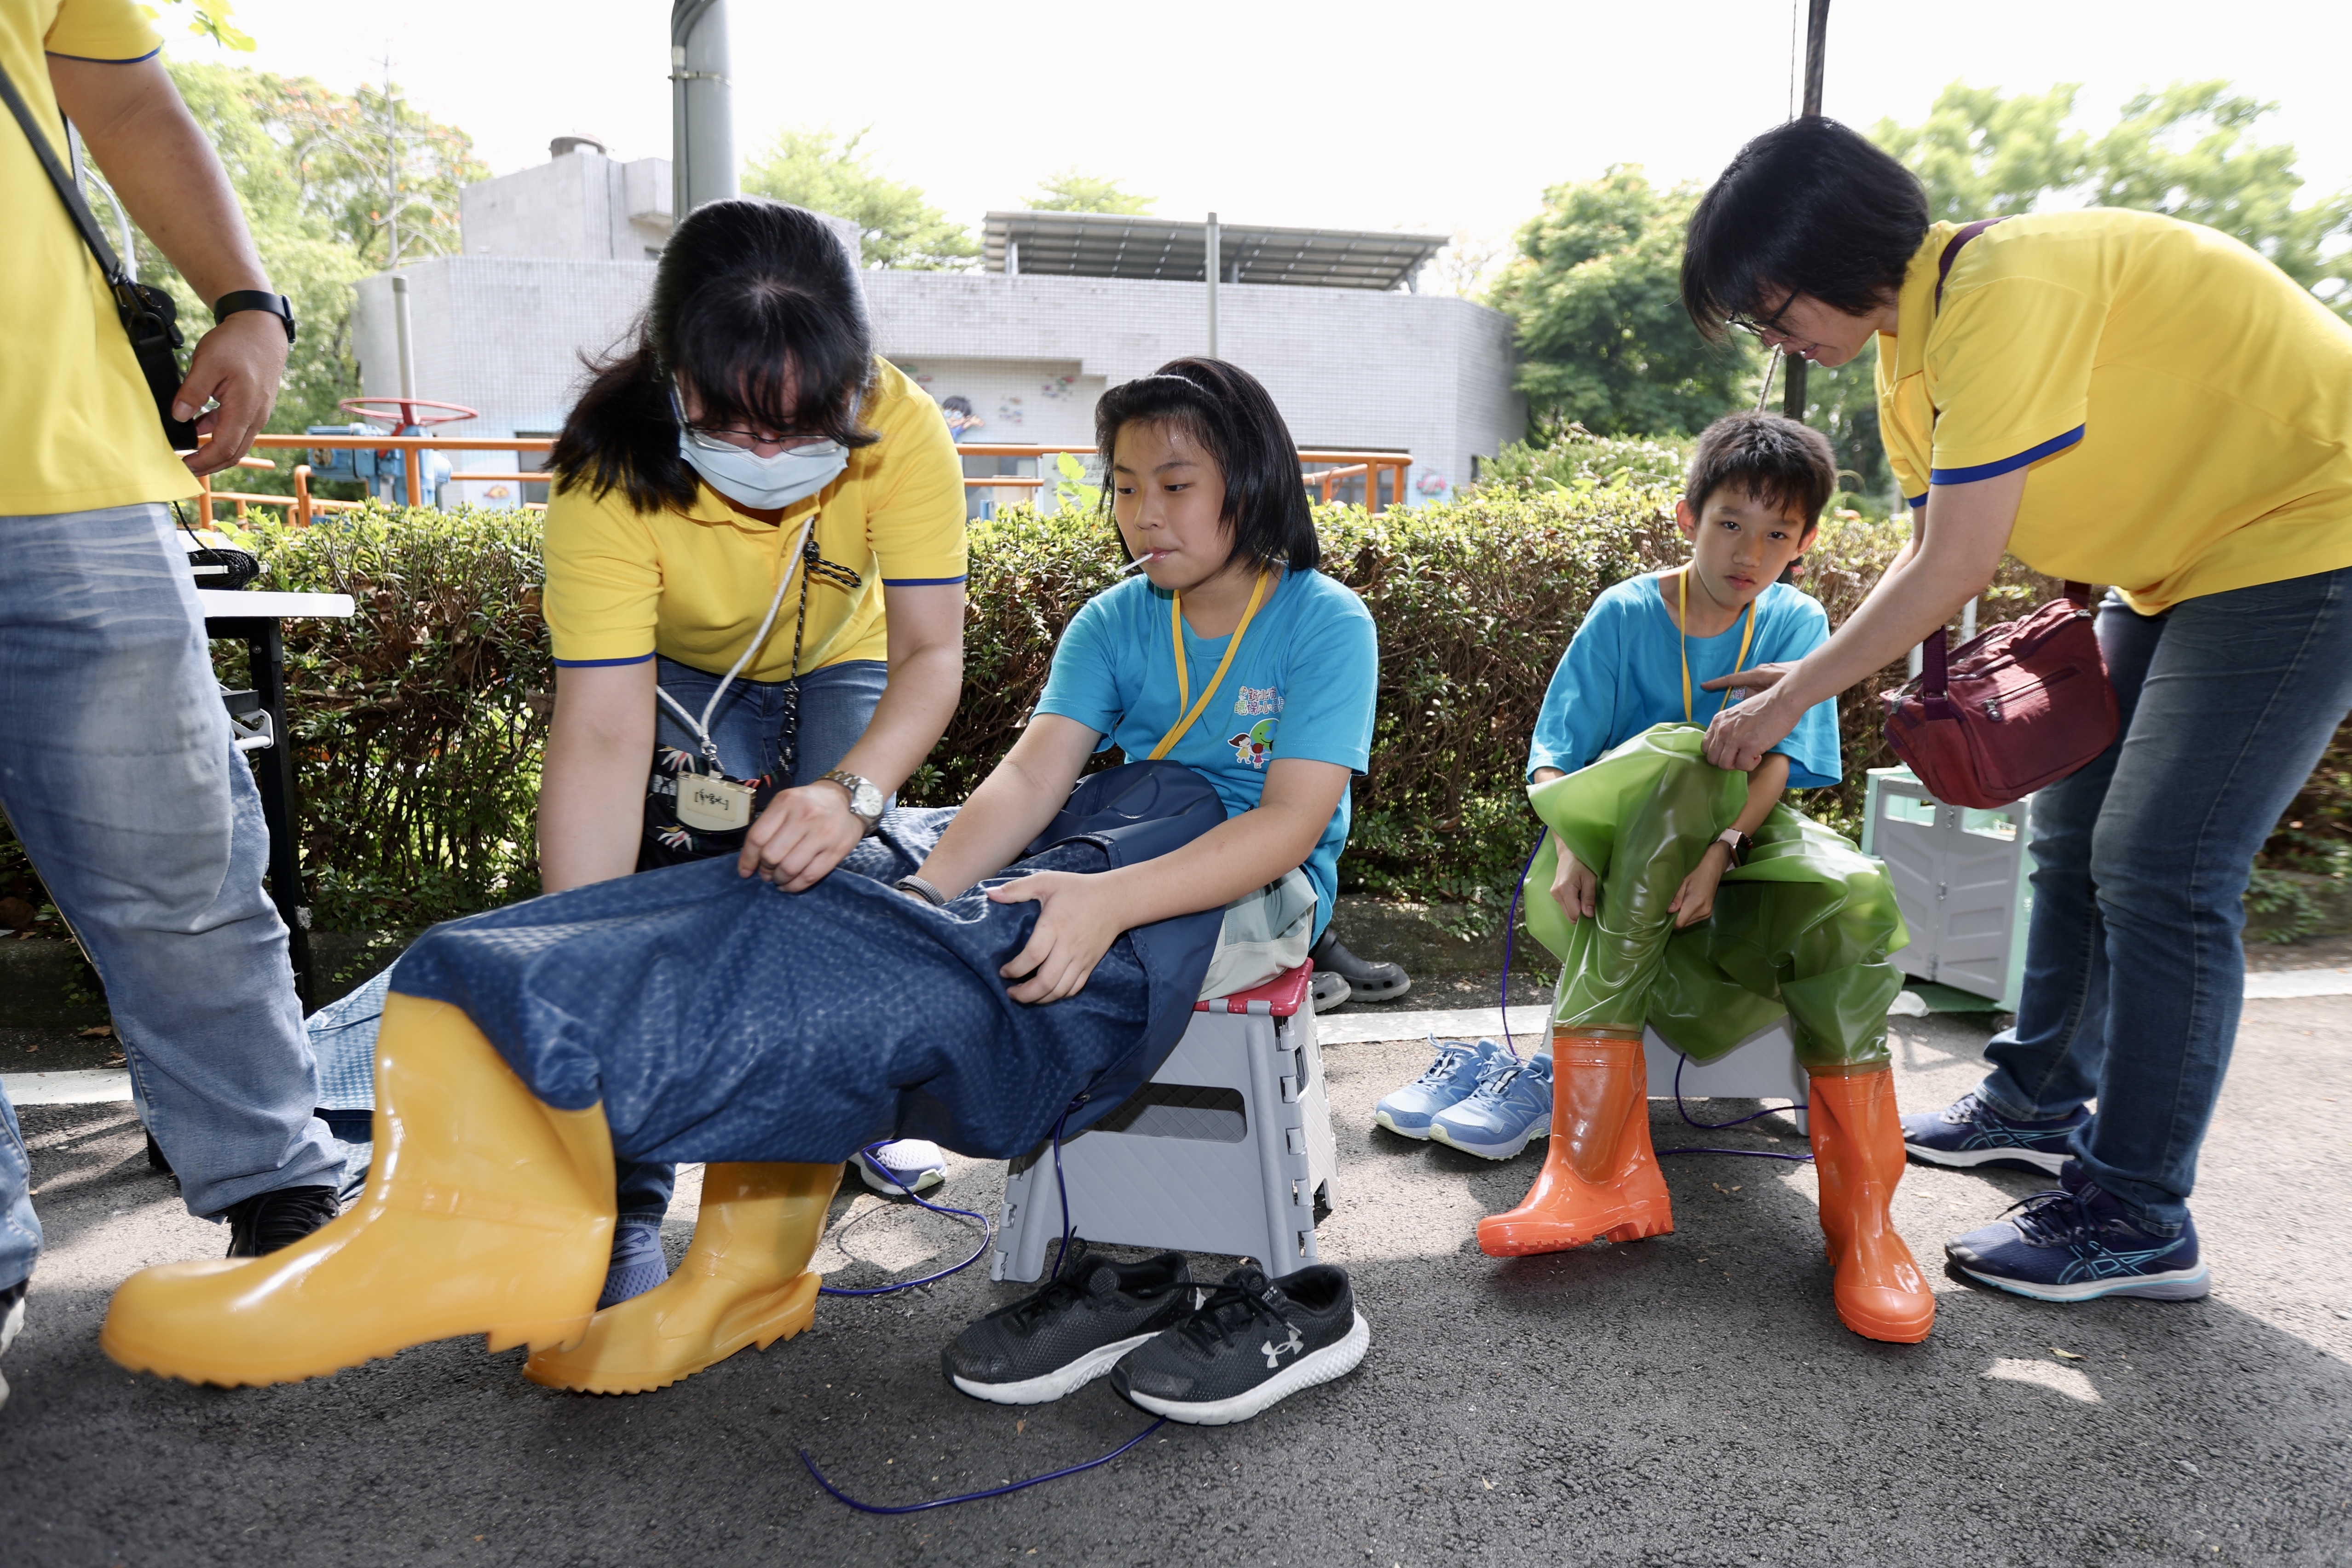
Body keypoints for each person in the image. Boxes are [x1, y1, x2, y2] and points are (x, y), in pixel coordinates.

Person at [98, 358, 1381, 1397]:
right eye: (1121, 486)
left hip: (1233, 885)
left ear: (1251, 486)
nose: (1140, 512)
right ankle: (540, 1139)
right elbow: (1029, 786)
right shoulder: (1116, 619)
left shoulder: (1322, 620)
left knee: (953, 953)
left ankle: (685, 1242)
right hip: (1095, 837)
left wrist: (1102, 903)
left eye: (1173, 483)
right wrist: (924, 889)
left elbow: (1283, 829)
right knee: (828, 875)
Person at [1681, 116, 2352, 1305]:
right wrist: (1825, 669)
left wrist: (1797, 691)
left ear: (1836, 251)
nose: (1773, 336)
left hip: (2310, 537)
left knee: (2162, 867)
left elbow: (1949, 566)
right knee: (2077, 836)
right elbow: (1944, 548)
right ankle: (2038, 1099)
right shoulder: (1910, 342)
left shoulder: (2005, 285)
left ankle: (2137, 1214)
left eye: (1773, 307)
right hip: (2178, 568)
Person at [1375, 412, 1931, 1342]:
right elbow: (1554, 765)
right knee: (1676, 772)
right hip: (1604, 850)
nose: (1750, 551)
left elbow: (1778, 767)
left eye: (1777, 533)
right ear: (1686, 517)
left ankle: (1865, 1223)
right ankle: (1594, 1172)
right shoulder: (1627, 612)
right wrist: (1584, 846)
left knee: (1856, 898)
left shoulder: (1797, 618)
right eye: (1730, 523)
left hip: (1742, 848)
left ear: (1806, 543)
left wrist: (1720, 852)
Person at [0, 0, 350, 1407]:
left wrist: (250, 303)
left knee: (185, 870)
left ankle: (281, 1193)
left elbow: (126, 98)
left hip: (69, 468)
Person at [538, 197, 969, 1304]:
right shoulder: (607, 469)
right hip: (675, 683)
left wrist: (852, 796)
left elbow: (931, 656)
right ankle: (622, 1200)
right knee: (661, 907)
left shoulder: (901, 426)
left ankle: (806, 1156)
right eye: (734, 425)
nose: (771, 454)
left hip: (843, 659)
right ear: (673, 377)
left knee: (835, 884)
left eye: (805, 428)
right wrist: (586, 945)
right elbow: (599, 728)